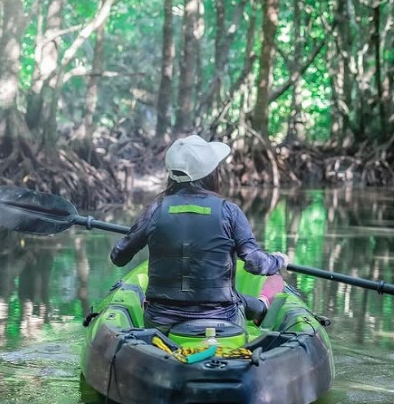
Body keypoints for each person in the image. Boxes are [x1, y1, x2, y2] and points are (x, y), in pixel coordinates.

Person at [110, 134, 288, 331]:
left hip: (160, 321)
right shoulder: (229, 211)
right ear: (210, 174)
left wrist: (138, 233)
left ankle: (258, 306)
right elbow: (255, 262)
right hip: (221, 321)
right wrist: (278, 261)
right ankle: (261, 307)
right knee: (238, 300)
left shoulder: (155, 210)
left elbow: (119, 257)